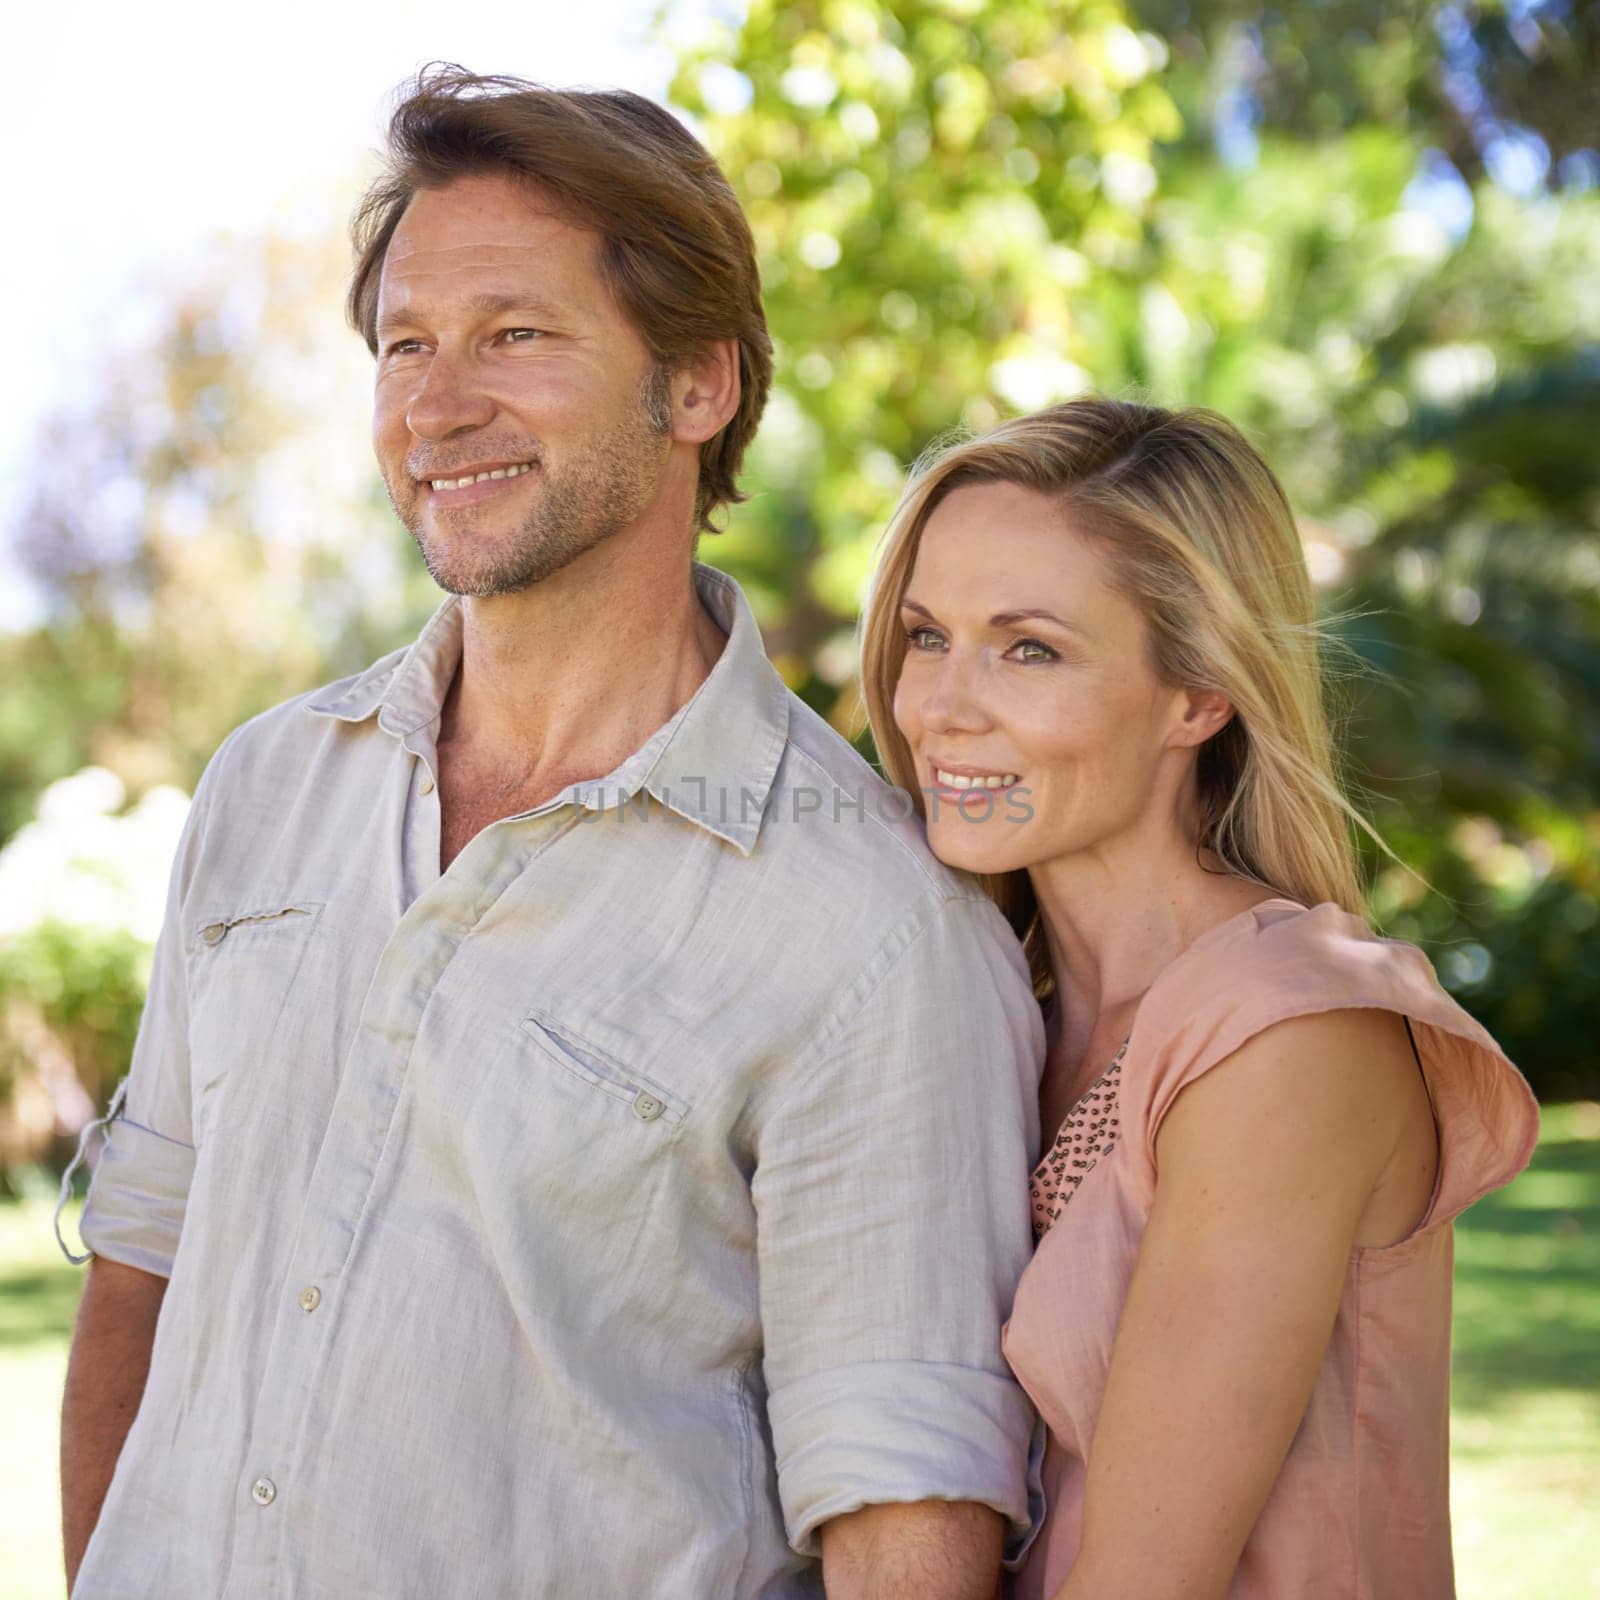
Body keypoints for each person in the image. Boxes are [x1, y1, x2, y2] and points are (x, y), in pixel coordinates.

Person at [56, 69, 1047, 1599]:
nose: (440, 406)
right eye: (405, 345)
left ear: (699, 385)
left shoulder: (875, 930)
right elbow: (145, 1270)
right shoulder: (266, 787)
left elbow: (900, 1519)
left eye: (516, 335)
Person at [859, 396, 1540, 1600]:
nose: (940, 708)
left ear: (1197, 697)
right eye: (925, 635)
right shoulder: (989, 1000)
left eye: (1029, 648)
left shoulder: (1289, 1029)